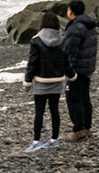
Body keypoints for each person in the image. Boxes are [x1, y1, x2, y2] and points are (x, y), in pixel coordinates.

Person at [22, 12, 68, 151]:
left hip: (41, 81)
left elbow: (33, 63)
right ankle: (54, 139)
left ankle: (36, 142)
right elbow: (66, 60)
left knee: (39, 111)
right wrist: (71, 76)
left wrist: (27, 81)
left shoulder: (36, 40)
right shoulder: (63, 39)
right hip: (58, 80)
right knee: (55, 110)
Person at [61, 0, 98, 142]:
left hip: (77, 69)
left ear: (71, 11)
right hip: (88, 67)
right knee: (84, 97)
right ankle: (86, 128)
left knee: (74, 99)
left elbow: (71, 52)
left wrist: (68, 72)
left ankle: (79, 130)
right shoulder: (89, 25)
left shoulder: (76, 28)